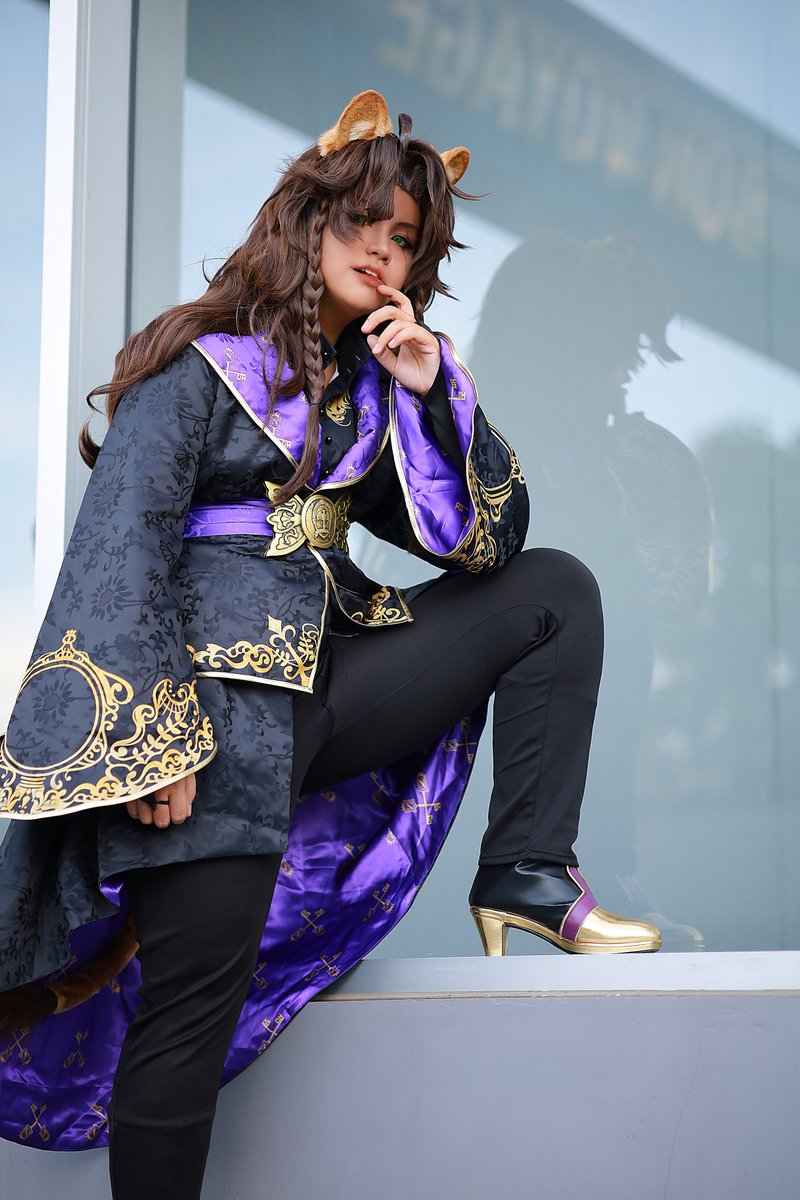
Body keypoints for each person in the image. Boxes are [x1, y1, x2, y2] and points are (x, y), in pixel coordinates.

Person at [0, 89, 660, 1197]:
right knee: (189, 1022)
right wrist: (148, 747)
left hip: (335, 678)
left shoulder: (371, 395)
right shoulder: (196, 361)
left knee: (552, 592)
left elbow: (483, 548)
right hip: (209, 725)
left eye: (405, 237)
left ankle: (525, 873)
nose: (383, 249)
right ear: (307, 219)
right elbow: (118, 551)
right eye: (363, 221)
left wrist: (434, 394)